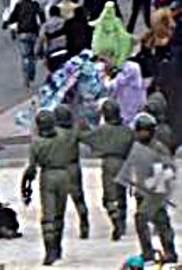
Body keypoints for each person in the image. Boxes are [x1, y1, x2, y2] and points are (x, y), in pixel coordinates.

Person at [79, 99, 134, 241]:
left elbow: (86, 137)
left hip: (109, 164)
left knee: (109, 197)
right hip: (124, 163)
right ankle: (121, 221)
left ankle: (115, 221)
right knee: (121, 194)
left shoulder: (103, 131)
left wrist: (81, 127)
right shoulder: (127, 130)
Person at [21, 110, 71, 265]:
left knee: (48, 215)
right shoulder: (63, 137)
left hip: (47, 176)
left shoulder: (36, 143)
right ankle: (58, 246)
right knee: (59, 214)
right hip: (64, 174)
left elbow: (31, 168)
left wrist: (25, 184)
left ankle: (50, 251)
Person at [130, 113, 178, 264]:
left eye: (145, 130)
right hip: (142, 192)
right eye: (140, 130)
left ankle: (170, 252)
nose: (142, 134)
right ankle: (147, 252)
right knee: (142, 222)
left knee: (161, 223)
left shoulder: (158, 148)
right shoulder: (136, 146)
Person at [54, 105, 90, 240]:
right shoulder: (75, 131)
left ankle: (57, 229)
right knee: (79, 198)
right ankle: (84, 221)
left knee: (58, 202)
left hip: (59, 168)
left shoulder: (53, 133)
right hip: (74, 167)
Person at [4, 0, 46, 87]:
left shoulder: (19, 5)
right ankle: (31, 74)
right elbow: (42, 17)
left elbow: (13, 18)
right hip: (33, 32)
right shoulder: (35, 5)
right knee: (32, 55)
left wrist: (6, 23)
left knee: (24, 56)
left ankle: (25, 79)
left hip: (22, 32)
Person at [91, 1, 134, 68]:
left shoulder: (100, 20)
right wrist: (130, 37)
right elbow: (122, 33)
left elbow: (92, 24)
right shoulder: (116, 21)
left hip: (99, 46)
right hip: (111, 46)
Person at [108, 61, 147, 127]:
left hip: (119, 113)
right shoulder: (140, 84)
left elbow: (109, 88)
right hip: (134, 116)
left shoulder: (118, 80)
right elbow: (143, 102)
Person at [37, 5, 69, 73]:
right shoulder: (65, 22)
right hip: (65, 49)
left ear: (50, 14)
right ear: (59, 13)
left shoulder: (45, 25)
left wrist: (38, 52)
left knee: (52, 72)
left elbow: (41, 39)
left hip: (52, 51)